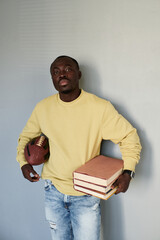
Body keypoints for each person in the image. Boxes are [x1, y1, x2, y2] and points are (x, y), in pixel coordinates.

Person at [17, 55, 141, 240]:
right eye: (56, 72)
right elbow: (26, 136)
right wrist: (24, 163)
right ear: (52, 78)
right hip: (53, 191)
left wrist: (128, 172)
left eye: (67, 69)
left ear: (79, 74)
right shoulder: (43, 107)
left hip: (85, 194)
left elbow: (129, 137)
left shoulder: (99, 107)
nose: (62, 74)